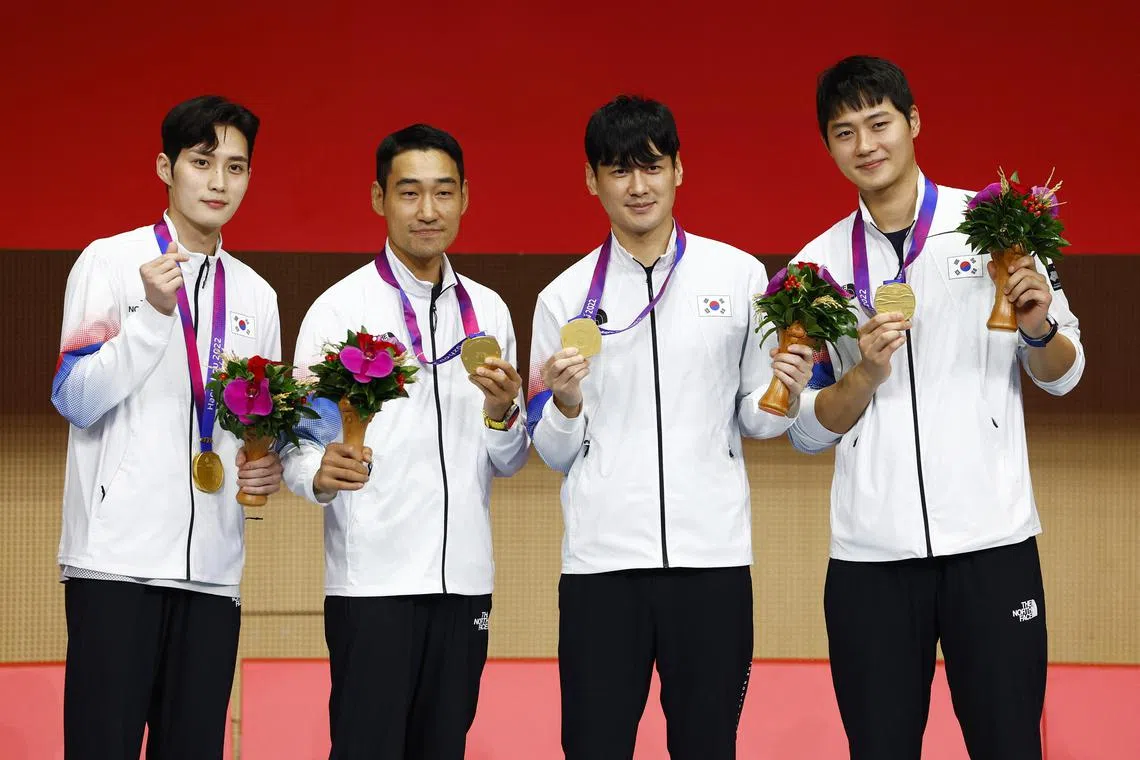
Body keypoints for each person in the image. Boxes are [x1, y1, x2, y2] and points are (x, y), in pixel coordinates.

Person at [788, 55, 1085, 759]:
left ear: (914, 122)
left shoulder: (994, 227)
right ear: (829, 146)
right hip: (870, 559)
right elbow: (805, 429)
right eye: (844, 132)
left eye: (879, 122)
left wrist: (1040, 326)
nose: (866, 145)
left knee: (1009, 743)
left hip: (993, 544)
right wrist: (862, 374)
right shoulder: (817, 266)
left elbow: (1061, 374)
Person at [526, 95, 815, 759]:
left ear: (679, 170)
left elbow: (756, 420)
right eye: (619, 171)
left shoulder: (739, 277)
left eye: (651, 167)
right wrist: (567, 404)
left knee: (708, 745)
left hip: (712, 563)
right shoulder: (563, 298)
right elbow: (552, 451)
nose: (638, 186)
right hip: (602, 570)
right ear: (592, 181)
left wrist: (785, 392)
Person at [280, 124, 529, 760]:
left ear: (465, 199)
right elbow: (300, 446)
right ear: (378, 198)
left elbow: (507, 458)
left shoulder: (490, 312)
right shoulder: (338, 311)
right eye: (409, 192)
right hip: (372, 585)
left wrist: (504, 413)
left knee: (444, 746)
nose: (427, 211)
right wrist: (316, 471)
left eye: (443, 193)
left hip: (465, 582)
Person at [52, 94, 283, 758]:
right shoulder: (110, 262)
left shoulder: (257, 296)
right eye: (202, 161)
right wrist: (152, 317)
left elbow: (252, 420)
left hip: (212, 573)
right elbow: (74, 397)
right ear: (165, 167)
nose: (218, 182)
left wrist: (263, 461)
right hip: (115, 567)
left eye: (235, 168)